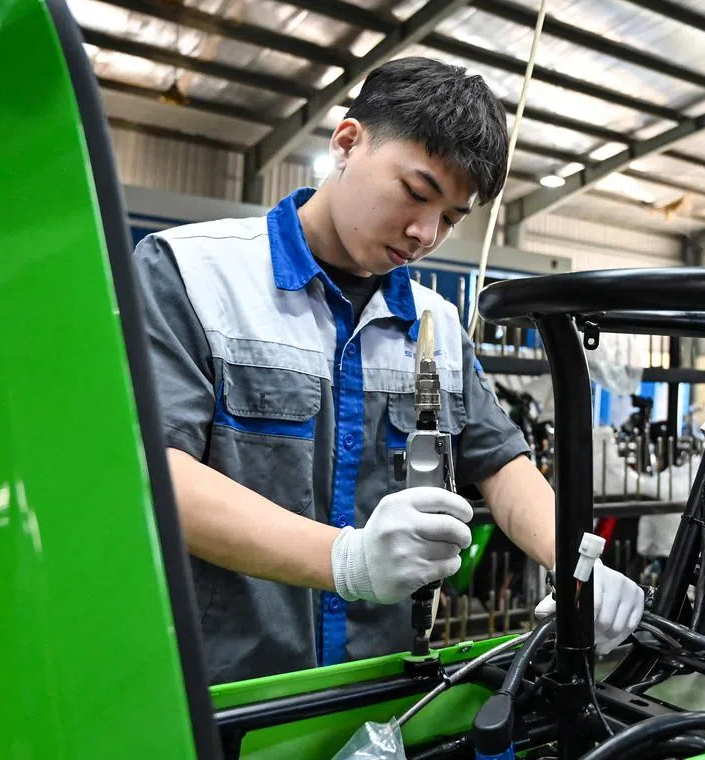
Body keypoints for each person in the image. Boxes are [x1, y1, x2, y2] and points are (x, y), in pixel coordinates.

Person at [133, 57, 645, 684]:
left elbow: (502, 465)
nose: (425, 233)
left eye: (452, 218)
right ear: (347, 143)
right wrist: (343, 560)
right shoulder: (192, 274)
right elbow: (156, 477)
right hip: (224, 692)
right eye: (417, 192)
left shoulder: (435, 323)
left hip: (379, 688)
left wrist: (575, 566)